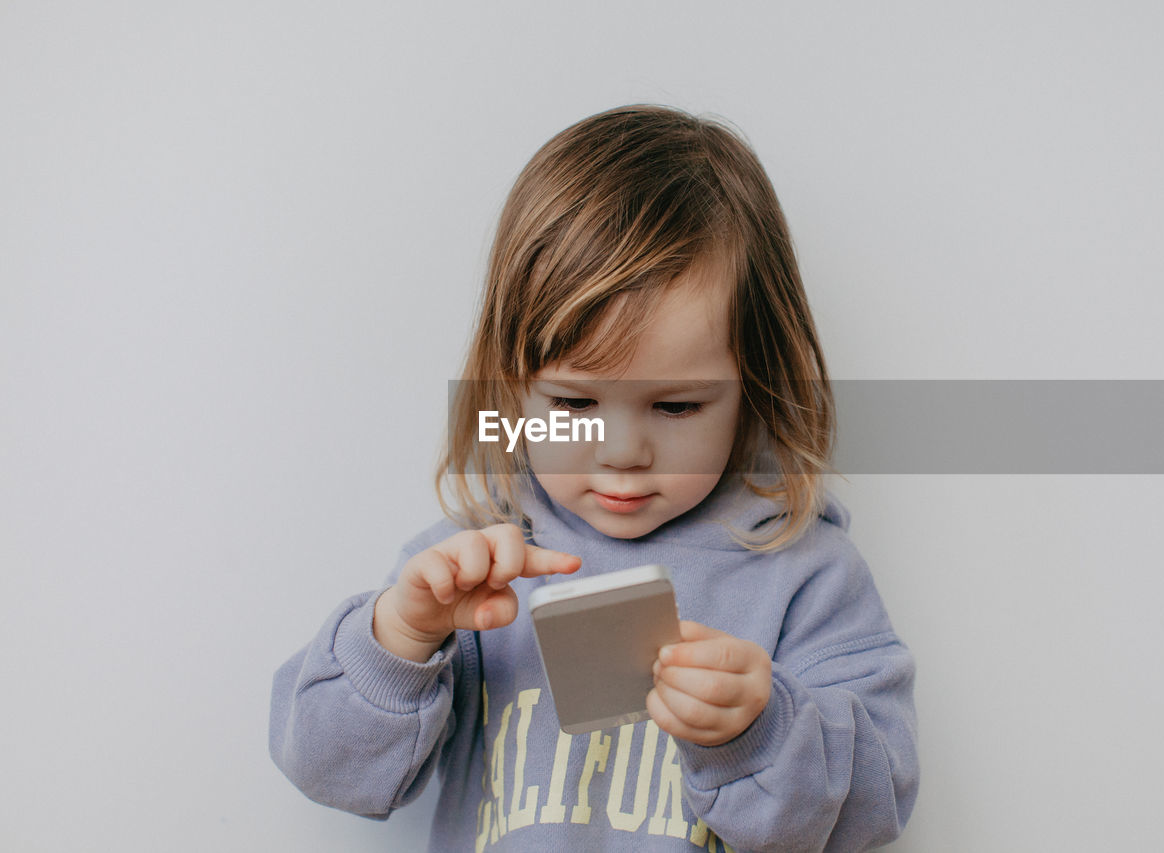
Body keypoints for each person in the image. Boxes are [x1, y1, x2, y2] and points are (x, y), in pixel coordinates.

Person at [270, 104, 919, 852]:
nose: (621, 451)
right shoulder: (470, 564)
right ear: (512, 386)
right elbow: (326, 768)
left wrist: (759, 732)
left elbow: (877, 804)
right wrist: (400, 637)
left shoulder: (807, 576)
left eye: (675, 405)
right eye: (575, 401)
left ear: (755, 389)